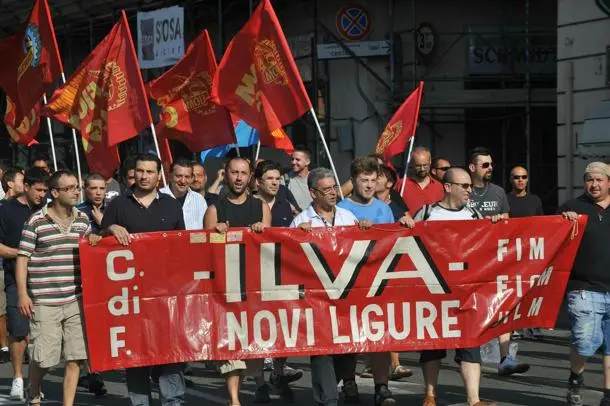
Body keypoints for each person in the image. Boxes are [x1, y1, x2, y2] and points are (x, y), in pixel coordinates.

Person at [99, 153, 186, 406]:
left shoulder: (171, 205)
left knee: (170, 352)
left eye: (150, 171)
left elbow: (182, 248)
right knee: (136, 354)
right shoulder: (117, 205)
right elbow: (99, 242)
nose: (144, 176)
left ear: (159, 175)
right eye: (140, 171)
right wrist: (110, 229)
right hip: (129, 295)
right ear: (133, 173)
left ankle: (173, 402)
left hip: (166, 293)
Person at [414, 167, 496, 406]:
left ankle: (474, 399)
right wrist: (406, 221)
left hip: (466, 293)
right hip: (433, 291)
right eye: (464, 186)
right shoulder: (427, 213)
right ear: (448, 187)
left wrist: (497, 224)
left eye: (470, 186)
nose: (470, 190)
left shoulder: (474, 214)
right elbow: (405, 237)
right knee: (433, 345)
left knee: (470, 343)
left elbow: (489, 245)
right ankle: (430, 394)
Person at [16, 170, 92, 406]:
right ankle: (34, 391)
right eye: (69, 188)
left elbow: (90, 251)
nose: (76, 192)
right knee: (44, 359)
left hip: (76, 299)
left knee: (75, 359)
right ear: (55, 193)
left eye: (77, 187)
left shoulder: (83, 219)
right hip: (45, 300)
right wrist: (22, 294)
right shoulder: (36, 221)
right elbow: (22, 258)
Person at [336, 156, 404, 405]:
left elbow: (393, 242)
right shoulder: (342, 208)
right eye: (364, 180)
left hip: (378, 281)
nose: (368, 185)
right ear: (353, 180)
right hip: (349, 282)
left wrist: (404, 225)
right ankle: (349, 383)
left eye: (373, 180)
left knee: (380, 337)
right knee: (348, 337)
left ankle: (381, 386)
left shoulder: (384, 209)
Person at [291, 167, 361, 406]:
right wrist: (298, 238)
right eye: (327, 189)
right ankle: (328, 399)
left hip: (344, 296)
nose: (333, 193)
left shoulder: (347, 217)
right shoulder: (300, 221)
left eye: (334, 187)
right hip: (316, 298)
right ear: (313, 193)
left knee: (346, 351)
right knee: (322, 351)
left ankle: (331, 389)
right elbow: (289, 259)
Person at [204, 157, 271, 406]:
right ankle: (234, 399)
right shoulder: (214, 209)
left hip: (254, 285)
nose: (239, 178)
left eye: (244, 173)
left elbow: (270, 246)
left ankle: (259, 382)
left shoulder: (261, 207)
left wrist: (261, 232)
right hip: (226, 287)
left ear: (250, 176)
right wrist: (215, 233)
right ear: (227, 174)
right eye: (234, 173)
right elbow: (206, 252)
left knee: (253, 342)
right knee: (231, 344)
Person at [466, 148, 528, 376]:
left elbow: (507, 224)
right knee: (473, 310)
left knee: (503, 306)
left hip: (495, 260)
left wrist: (502, 220)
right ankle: (470, 356)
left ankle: (505, 358)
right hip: (470, 262)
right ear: (472, 168)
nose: (490, 168)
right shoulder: (465, 191)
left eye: (491, 164)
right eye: (485, 165)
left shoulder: (499, 192)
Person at [559, 162, 610, 406]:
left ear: (608, 182)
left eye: (599, 179)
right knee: (584, 342)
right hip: (584, 289)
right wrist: (564, 221)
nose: (594, 184)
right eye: (590, 179)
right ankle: (576, 378)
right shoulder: (572, 208)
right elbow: (552, 238)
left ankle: (608, 394)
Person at [252, 160, 303, 400]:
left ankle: (279, 374)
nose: (275, 183)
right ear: (258, 182)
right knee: (258, 328)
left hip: (282, 272)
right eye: (270, 178)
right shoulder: (249, 204)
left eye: (278, 179)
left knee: (282, 325)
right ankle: (260, 381)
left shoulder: (286, 206)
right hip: (254, 274)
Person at [0, 167, 48, 400]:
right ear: (26, 187)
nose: (42, 195)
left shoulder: (48, 210)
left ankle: (36, 382)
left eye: (45, 190)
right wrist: (24, 253)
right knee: (19, 330)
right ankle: (18, 377)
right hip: (14, 280)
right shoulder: (5, 209)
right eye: (38, 190)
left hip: (46, 280)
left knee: (42, 334)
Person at [506, 166, 544, 341]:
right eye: (516, 177)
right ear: (510, 179)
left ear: (527, 179)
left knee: (532, 288)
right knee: (513, 289)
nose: (520, 180)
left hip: (531, 251)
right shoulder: (505, 199)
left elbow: (543, 224)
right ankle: (514, 326)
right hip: (511, 252)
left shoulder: (535, 200)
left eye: (524, 177)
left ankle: (533, 325)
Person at [160, 159, 207, 230]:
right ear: (170, 176)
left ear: (191, 178)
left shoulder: (199, 200)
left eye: (187, 177)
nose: (183, 181)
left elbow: (206, 229)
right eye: (179, 176)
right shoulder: (158, 198)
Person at [401, 146, 444, 216]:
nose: (422, 169)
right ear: (412, 163)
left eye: (425, 165)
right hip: (408, 226)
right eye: (418, 166)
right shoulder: (401, 184)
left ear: (430, 162)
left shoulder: (438, 187)